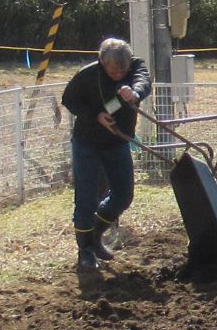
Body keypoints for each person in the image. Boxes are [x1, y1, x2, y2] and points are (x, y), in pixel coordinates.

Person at [59, 37, 151, 272]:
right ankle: (86, 251)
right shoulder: (87, 75)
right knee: (86, 198)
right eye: (112, 71)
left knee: (123, 195)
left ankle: (95, 235)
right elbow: (69, 100)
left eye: (123, 71)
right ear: (101, 62)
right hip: (87, 143)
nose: (118, 75)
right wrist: (96, 116)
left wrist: (135, 93)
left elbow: (144, 81)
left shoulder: (136, 67)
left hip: (118, 142)